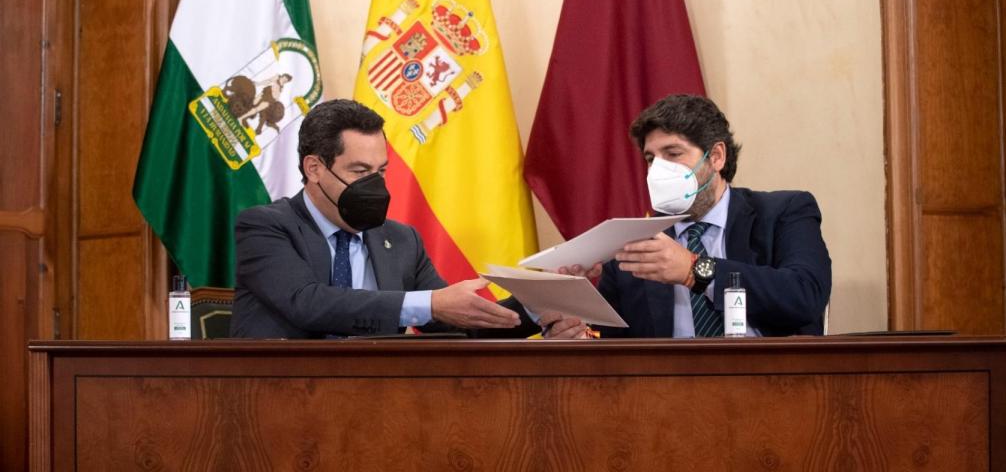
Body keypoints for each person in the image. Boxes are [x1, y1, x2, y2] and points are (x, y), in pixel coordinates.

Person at [230, 98, 529, 338]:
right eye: (360, 172)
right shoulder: (265, 226)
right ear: (314, 169)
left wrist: (542, 310)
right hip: (280, 398)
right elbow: (308, 304)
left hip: (379, 401)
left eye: (381, 171)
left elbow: (461, 327)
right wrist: (430, 304)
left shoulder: (401, 240)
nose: (375, 185)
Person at [545, 94, 831, 338]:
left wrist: (694, 270)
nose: (658, 170)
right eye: (650, 159)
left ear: (717, 156)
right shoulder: (635, 242)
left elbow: (805, 295)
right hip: (667, 394)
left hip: (774, 388)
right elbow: (613, 344)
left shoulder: (784, 211)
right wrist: (574, 325)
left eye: (673, 153)